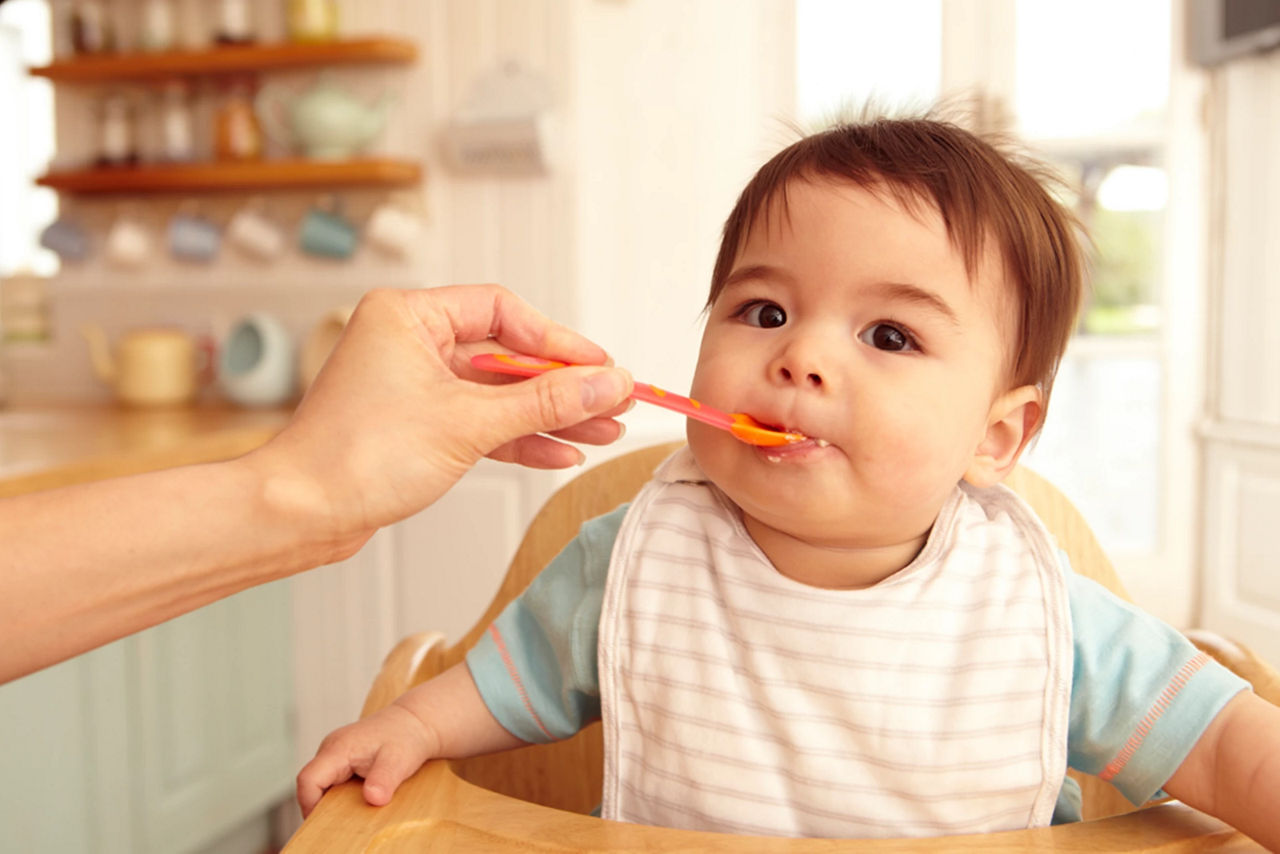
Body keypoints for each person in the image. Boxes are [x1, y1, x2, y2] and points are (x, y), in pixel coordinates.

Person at [296, 116, 1280, 847]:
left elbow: (1227, 748)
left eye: (887, 334)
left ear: (995, 434)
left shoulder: (1035, 610)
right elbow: (504, 680)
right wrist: (411, 724)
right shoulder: (639, 556)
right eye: (762, 310)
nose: (801, 354)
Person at [0, 284, 635, 685]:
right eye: (741, 310)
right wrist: (414, 726)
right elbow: (530, 675)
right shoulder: (637, 544)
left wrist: (305, 494)